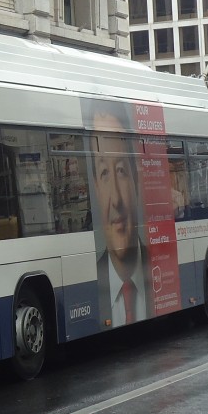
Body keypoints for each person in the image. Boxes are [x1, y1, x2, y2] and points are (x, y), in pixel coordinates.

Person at [88, 105, 151, 326]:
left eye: (122, 171)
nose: (116, 200)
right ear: (95, 188)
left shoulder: (158, 266)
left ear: (136, 178)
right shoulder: (90, 281)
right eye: (105, 173)